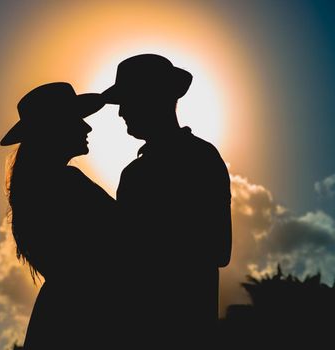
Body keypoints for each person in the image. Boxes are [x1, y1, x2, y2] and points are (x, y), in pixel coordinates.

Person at [102, 54, 232, 348]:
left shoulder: (200, 158)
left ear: (153, 98)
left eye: (127, 100)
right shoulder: (134, 173)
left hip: (182, 329)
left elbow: (219, 248)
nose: (121, 112)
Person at [0, 82, 116, 349]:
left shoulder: (35, 188)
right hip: (83, 319)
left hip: (59, 317)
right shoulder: (66, 183)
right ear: (55, 128)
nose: (87, 127)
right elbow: (130, 237)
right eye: (77, 120)